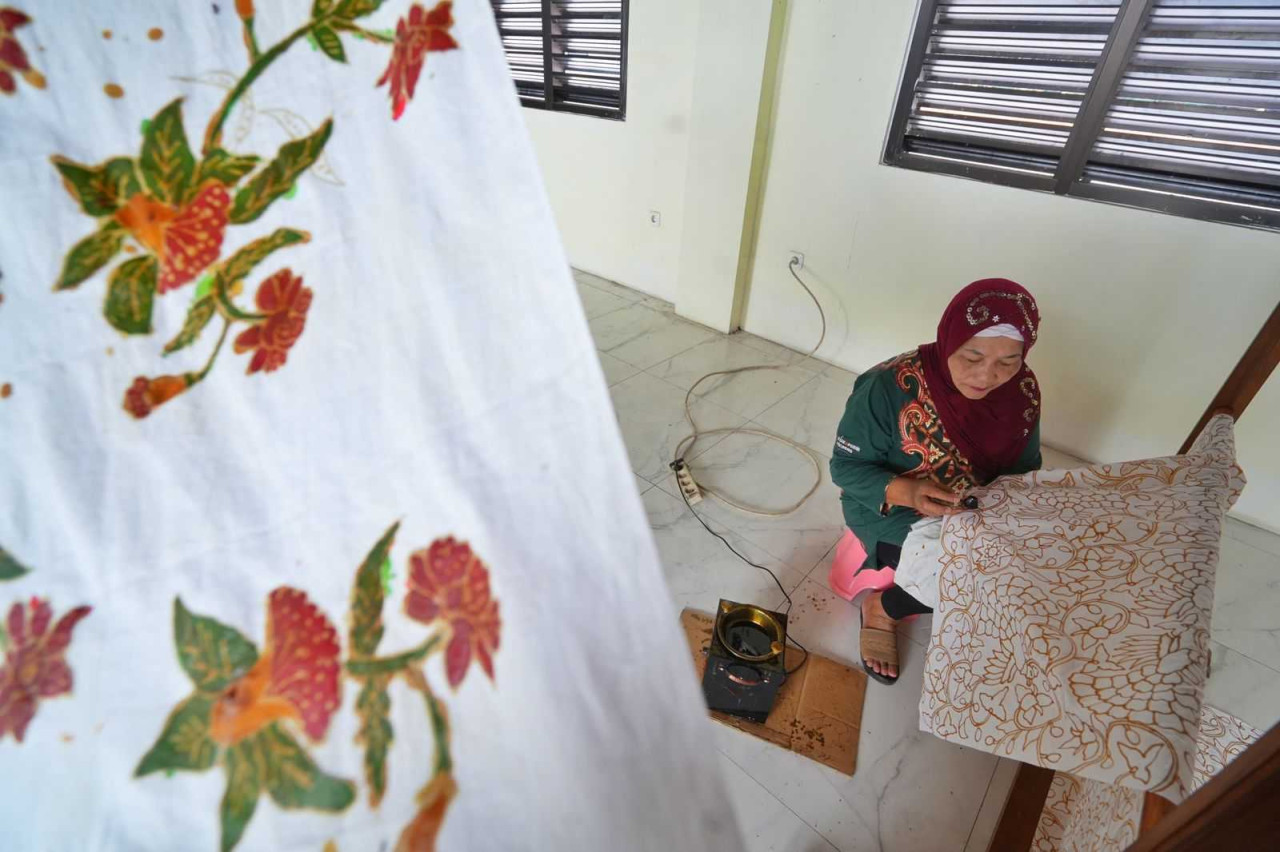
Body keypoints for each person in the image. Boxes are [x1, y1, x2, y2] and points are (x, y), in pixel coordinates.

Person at [829, 280, 1043, 684]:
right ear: (949, 340)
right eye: (972, 356)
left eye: (1008, 361)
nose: (987, 376)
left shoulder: (1022, 392)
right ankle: (883, 608)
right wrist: (909, 491)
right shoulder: (887, 388)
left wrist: (1005, 514)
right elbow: (845, 469)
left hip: (975, 505)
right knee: (969, 582)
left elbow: (1025, 469)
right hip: (891, 505)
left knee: (1033, 566)